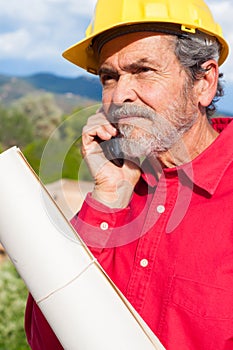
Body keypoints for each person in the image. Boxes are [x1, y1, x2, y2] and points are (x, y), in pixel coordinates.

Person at [25, 0, 233, 349]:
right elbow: (45, 340)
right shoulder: (114, 190)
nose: (120, 95)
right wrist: (107, 199)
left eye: (144, 70)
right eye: (110, 77)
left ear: (203, 83)